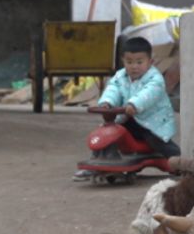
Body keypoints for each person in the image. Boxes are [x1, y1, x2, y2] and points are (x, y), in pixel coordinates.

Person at [72, 36, 179, 180]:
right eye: (129, 62)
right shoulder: (120, 76)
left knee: (157, 142)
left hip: (153, 122)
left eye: (139, 62)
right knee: (112, 132)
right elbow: (113, 89)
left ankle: (180, 162)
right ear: (123, 61)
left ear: (150, 62)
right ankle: (97, 162)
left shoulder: (155, 79)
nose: (134, 66)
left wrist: (134, 104)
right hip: (128, 118)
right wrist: (107, 103)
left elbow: (148, 93)